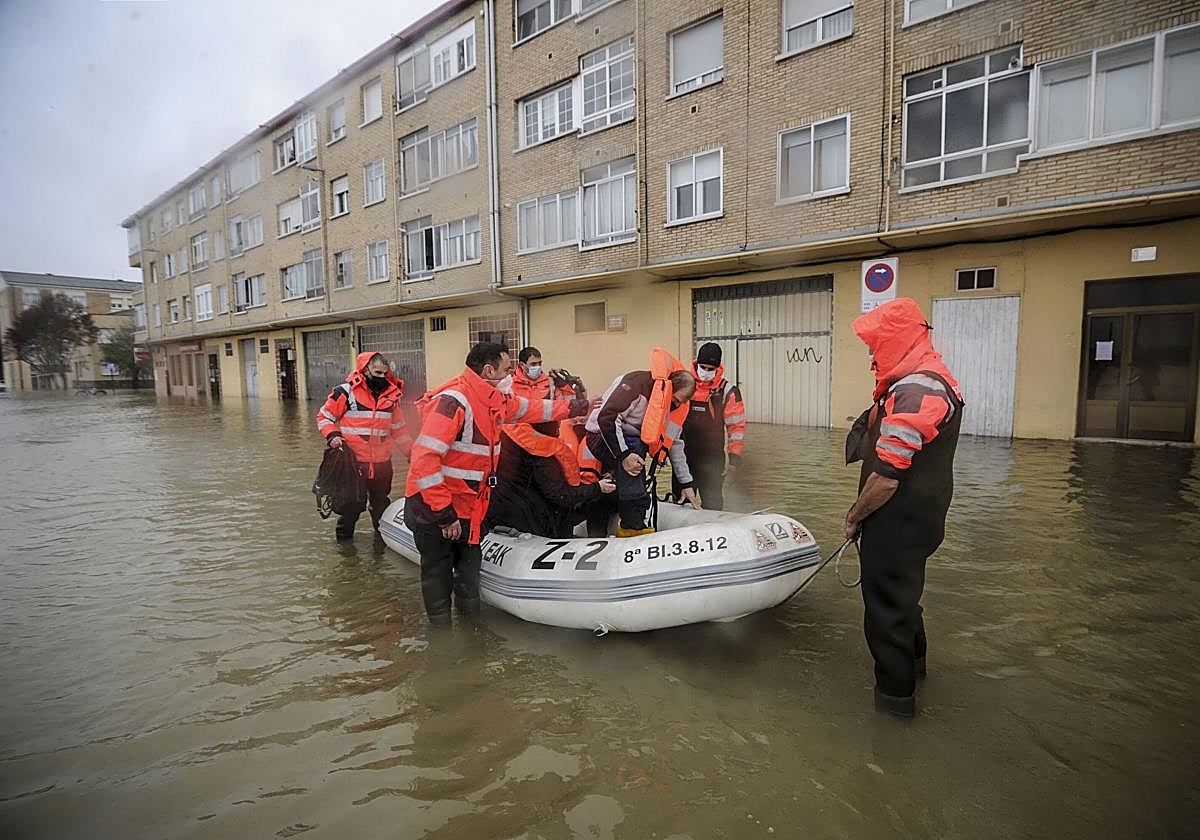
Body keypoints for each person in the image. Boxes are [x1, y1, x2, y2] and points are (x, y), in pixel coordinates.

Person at [404, 342, 591, 626]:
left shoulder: (494, 400)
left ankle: (471, 637)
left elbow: (533, 409)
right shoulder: (454, 401)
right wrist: (444, 515)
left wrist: (578, 406)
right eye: (506, 370)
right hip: (435, 508)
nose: (511, 376)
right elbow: (424, 458)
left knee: (469, 575)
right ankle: (442, 640)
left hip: (470, 507)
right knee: (437, 576)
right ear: (488, 370)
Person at [841, 298, 964, 719]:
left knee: (886, 614)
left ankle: (894, 708)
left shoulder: (916, 390)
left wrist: (855, 518)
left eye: (876, 345)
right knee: (905, 599)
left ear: (897, 341)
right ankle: (917, 669)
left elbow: (888, 476)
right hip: (921, 520)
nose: (872, 355)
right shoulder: (928, 379)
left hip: (896, 524)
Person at [583, 347, 700, 537]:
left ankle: (605, 527)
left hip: (626, 444)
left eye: (679, 404)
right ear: (669, 387)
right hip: (600, 437)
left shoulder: (672, 407)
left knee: (620, 477)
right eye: (675, 400)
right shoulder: (636, 384)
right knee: (635, 450)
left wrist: (687, 484)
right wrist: (624, 456)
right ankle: (632, 524)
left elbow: (675, 446)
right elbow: (607, 418)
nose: (675, 406)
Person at [316, 352, 412, 540]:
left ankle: (382, 542)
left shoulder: (391, 396)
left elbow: (399, 430)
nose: (382, 377)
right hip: (353, 464)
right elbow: (324, 417)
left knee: (381, 506)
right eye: (377, 373)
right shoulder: (345, 392)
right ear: (365, 369)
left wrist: (412, 453)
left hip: (382, 464)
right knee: (350, 510)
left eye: (385, 373)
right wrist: (333, 436)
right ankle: (345, 549)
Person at [484, 421, 617, 538]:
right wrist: (598, 488)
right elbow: (561, 496)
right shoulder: (543, 455)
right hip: (530, 524)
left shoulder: (507, 440)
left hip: (498, 515)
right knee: (597, 504)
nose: (559, 426)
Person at [670, 342, 746, 511]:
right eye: (703, 367)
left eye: (711, 368)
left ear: (718, 367)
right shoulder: (682, 384)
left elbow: (736, 428)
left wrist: (734, 458)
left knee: (713, 504)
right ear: (696, 363)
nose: (706, 371)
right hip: (682, 457)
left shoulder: (727, 391)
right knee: (680, 503)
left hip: (712, 460)